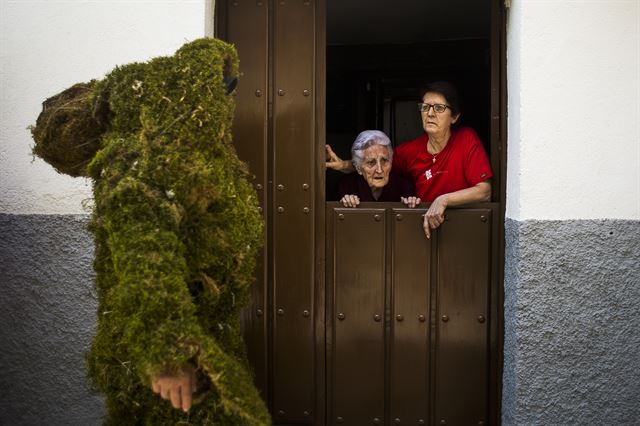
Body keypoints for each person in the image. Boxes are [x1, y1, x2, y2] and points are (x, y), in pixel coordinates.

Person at [326, 81, 492, 238]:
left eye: (439, 108)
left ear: (454, 117)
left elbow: (484, 191)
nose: (430, 113)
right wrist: (343, 164)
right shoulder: (409, 151)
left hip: (463, 227)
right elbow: (378, 166)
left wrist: (443, 200)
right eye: (425, 107)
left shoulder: (466, 139)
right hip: (421, 229)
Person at [338, 130, 420, 208]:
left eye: (384, 161)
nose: (379, 170)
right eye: (371, 162)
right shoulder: (346, 187)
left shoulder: (404, 188)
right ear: (358, 168)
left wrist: (411, 204)